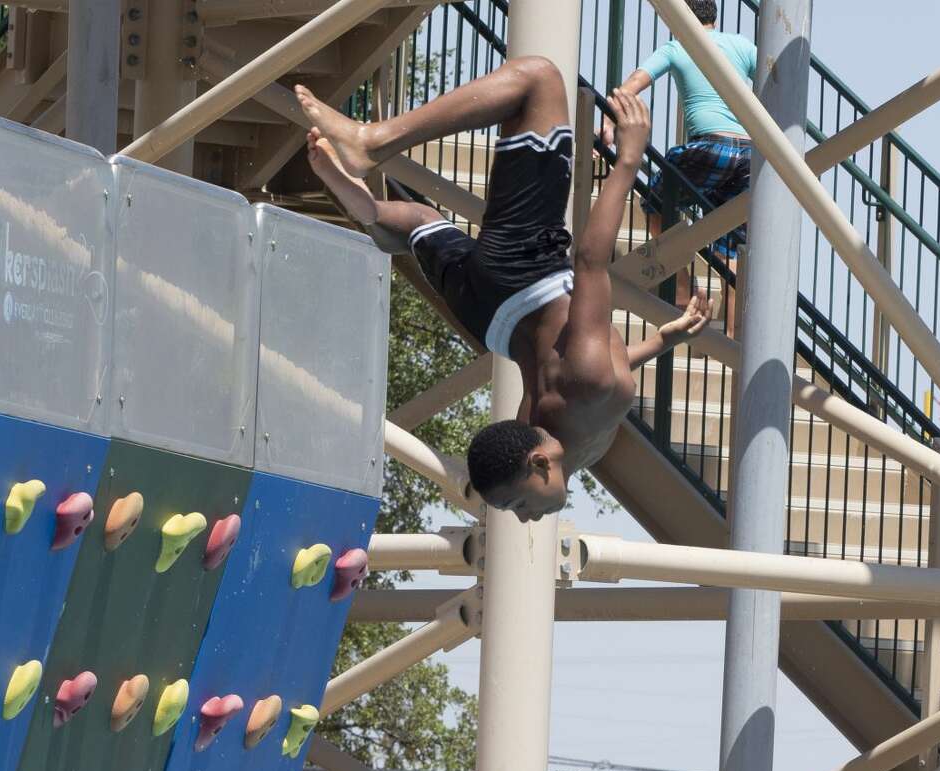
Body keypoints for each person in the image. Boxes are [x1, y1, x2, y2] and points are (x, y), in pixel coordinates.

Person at [295, 60, 712, 521]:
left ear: (538, 462)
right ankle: (366, 206)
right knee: (420, 223)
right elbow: (597, 372)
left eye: (518, 504)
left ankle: (371, 141)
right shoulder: (543, 425)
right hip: (484, 317)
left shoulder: (584, 390)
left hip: (525, 275)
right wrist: (662, 341)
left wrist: (630, 157)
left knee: (540, 82)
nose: (525, 518)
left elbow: (592, 262)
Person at [604, 0, 756, 334]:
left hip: (710, 146)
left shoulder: (675, 47)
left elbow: (632, 84)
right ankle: (731, 337)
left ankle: (684, 289)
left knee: (656, 203)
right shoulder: (743, 45)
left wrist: (607, 121)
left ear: (680, 18)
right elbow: (776, 87)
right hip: (748, 152)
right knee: (731, 246)